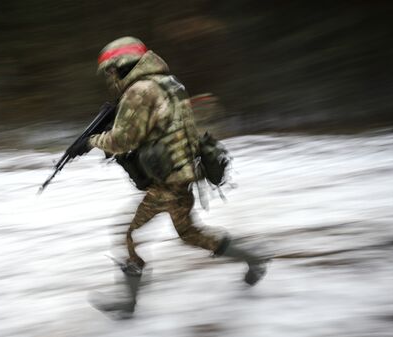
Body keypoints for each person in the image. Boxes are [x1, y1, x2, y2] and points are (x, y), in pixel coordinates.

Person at [72, 37, 267, 317]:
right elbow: (158, 129)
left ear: (121, 65)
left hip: (169, 179)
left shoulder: (139, 91)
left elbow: (125, 139)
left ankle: (128, 302)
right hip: (182, 171)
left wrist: (91, 142)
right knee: (189, 233)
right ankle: (253, 257)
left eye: (111, 71)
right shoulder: (168, 83)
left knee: (127, 233)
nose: (111, 78)